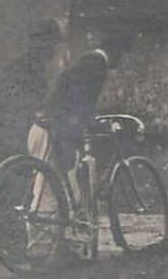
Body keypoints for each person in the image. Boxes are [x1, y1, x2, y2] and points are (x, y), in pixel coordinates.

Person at [27, 32, 133, 226]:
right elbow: (81, 99)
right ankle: (44, 248)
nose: (122, 61)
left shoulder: (88, 61)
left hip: (46, 126)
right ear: (116, 51)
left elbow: (71, 94)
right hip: (51, 130)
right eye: (123, 54)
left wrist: (86, 121)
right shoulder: (97, 64)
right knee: (50, 191)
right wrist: (94, 123)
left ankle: (54, 244)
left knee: (55, 187)